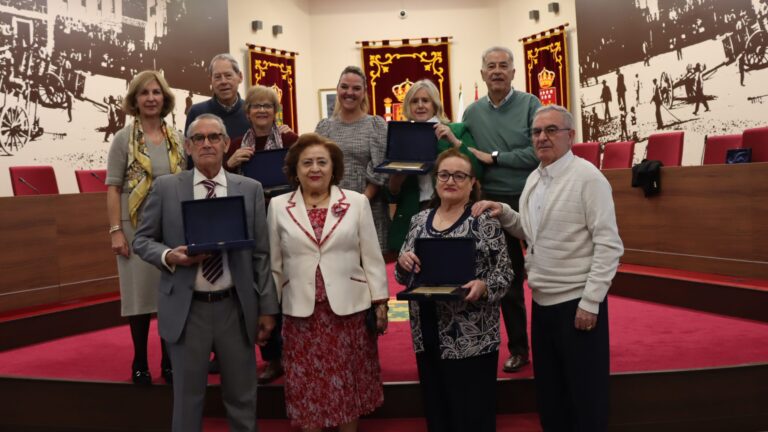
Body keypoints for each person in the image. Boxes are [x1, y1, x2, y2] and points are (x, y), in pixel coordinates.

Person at [473, 105, 624, 432]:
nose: (542, 138)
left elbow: (609, 245)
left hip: (577, 306)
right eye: (537, 132)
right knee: (552, 397)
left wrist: (590, 301)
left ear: (570, 136)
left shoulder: (588, 179)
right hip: (542, 304)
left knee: (585, 400)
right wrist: (504, 212)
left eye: (551, 130)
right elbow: (531, 231)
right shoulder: (535, 178)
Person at [133, 114, 279, 432]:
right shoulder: (166, 188)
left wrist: (268, 307)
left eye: (214, 137)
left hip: (235, 308)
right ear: (187, 146)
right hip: (188, 310)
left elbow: (261, 255)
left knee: (242, 398)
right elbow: (141, 240)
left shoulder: (249, 189)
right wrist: (169, 255)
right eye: (198, 138)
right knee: (187, 401)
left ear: (227, 144)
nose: (207, 143)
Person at [267, 133, 388, 431]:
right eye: (307, 163)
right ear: (295, 170)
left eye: (322, 162)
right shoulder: (279, 206)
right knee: (308, 389)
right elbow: (274, 264)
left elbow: (371, 256)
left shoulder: (356, 202)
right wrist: (269, 309)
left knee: (347, 388)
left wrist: (380, 302)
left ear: (334, 168)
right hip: (301, 315)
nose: (315, 168)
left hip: (349, 313)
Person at [395, 149, 511, 432]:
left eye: (459, 175)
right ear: (435, 180)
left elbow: (505, 273)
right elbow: (403, 275)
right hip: (427, 330)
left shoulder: (484, 221)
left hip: (471, 334)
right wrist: (403, 263)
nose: (451, 181)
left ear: (472, 182)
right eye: (444, 174)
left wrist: (484, 286)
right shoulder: (418, 221)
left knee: (471, 412)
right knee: (437, 409)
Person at [461, 46, 541, 373]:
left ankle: (558, 340)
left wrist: (495, 158)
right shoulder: (471, 113)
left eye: (503, 66)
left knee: (547, 277)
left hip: (533, 201)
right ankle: (519, 348)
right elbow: (465, 155)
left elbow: (537, 153)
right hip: (493, 207)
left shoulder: (530, 105)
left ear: (513, 72)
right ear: (482, 73)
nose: (496, 71)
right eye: (490, 66)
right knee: (507, 284)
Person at [105, 70, 185, 385]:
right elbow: (113, 187)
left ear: (164, 98)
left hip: (171, 227)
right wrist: (115, 230)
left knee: (169, 296)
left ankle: (168, 360)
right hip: (135, 229)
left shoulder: (176, 136)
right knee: (138, 299)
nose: (151, 98)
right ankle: (139, 360)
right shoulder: (123, 139)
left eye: (156, 92)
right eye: (144, 93)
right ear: (135, 100)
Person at [387, 79, 482, 251]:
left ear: (435, 104)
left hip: (451, 208)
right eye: (415, 101)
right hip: (413, 210)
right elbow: (392, 192)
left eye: (426, 100)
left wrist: (453, 140)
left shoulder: (457, 130)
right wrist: (400, 173)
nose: (420, 105)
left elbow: (477, 169)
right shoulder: (402, 136)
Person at [315, 65, 389, 252]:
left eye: (356, 88)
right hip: (331, 209)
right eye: (345, 87)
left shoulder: (375, 125)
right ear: (338, 89)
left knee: (369, 271)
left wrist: (359, 203)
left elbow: (380, 169)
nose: (350, 92)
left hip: (368, 208)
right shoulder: (324, 127)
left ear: (364, 92)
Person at [184, 54, 250, 157]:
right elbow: (191, 157)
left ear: (240, 77)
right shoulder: (196, 112)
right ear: (210, 80)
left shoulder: (251, 111)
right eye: (217, 77)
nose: (223, 81)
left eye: (228, 75)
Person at [225, 85, 298, 173]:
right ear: (248, 113)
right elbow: (224, 179)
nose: (262, 110)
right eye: (256, 106)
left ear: (274, 112)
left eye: (267, 106)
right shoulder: (236, 144)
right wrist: (229, 165)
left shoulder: (290, 140)